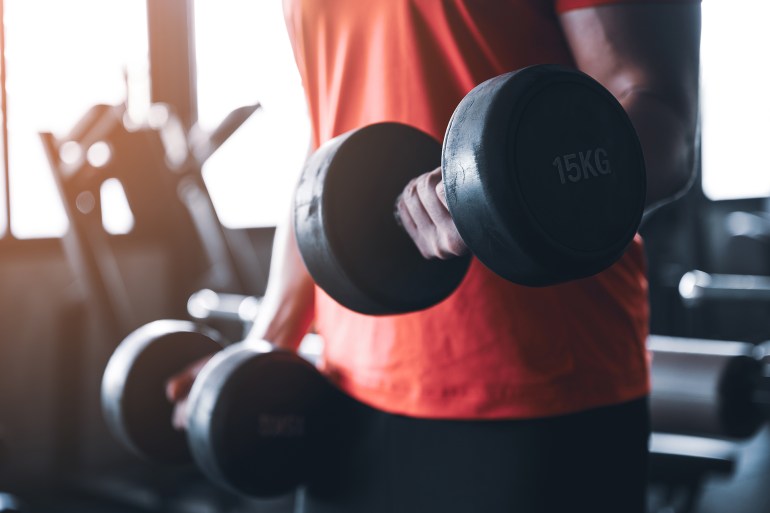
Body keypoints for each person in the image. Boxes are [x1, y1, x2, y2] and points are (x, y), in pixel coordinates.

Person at [168, 1, 701, 511]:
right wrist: (265, 343)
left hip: (535, 385)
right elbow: (328, 149)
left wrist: (491, 195)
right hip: (348, 388)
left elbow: (663, 126)